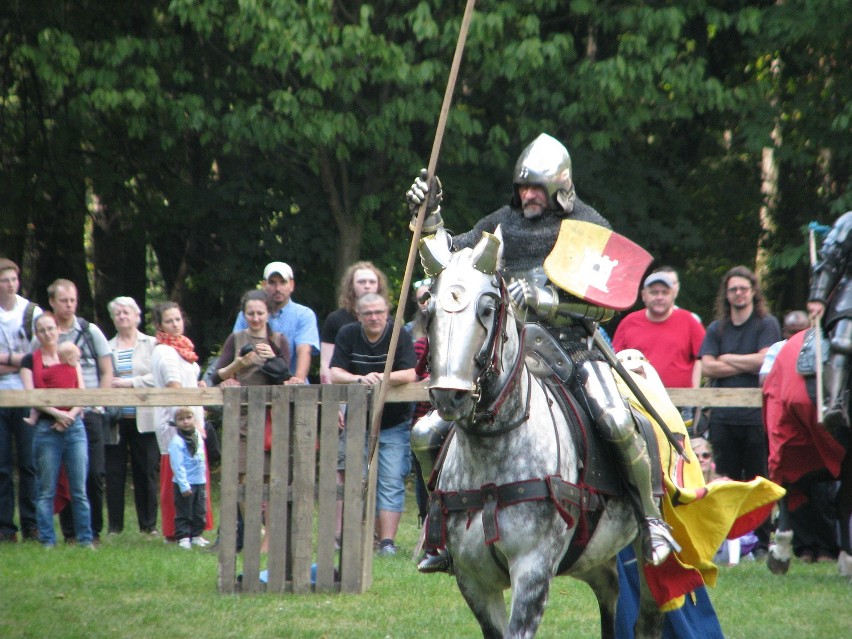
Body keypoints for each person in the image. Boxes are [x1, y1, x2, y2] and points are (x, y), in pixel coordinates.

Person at [406, 132, 679, 568]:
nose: (528, 195)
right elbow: (450, 259)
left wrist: (547, 300)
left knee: (615, 419)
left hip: (573, 348)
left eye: (536, 188)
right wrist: (430, 218)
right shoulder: (500, 224)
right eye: (522, 187)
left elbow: (606, 305)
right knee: (425, 433)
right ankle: (439, 529)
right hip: (508, 354)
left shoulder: (588, 227)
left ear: (560, 188)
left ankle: (651, 519)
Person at [699, 265, 781, 553]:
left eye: (743, 288)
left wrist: (729, 357)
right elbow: (707, 365)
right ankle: (725, 543)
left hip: (756, 417)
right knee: (725, 481)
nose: (738, 293)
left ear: (753, 291)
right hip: (722, 417)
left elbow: (765, 361)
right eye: (733, 289)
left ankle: (760, 542)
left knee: (757, 480)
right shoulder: (716, 328)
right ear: (727, 293)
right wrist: (746, 359)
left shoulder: (765, 324)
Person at [330, 293, 417, 556]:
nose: (374, 317)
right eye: (367, 313)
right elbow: (335, 373)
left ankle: (387, 542)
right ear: (358, 315)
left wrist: (382, 378)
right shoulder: (348, 333)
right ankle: (350, 537)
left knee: (391, 479)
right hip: (358, 421)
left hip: (394, 422)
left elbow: (411, 373)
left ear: (387, 312)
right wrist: (359, 379)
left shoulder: (398, 334)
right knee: (354, 480)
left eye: (379, 312)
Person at [19, 312, 93, 548]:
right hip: (46, 428)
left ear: (58, 329)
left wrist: (69, 416)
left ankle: (85, 540)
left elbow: (82, 392)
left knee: (79, 488)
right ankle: (47, 541)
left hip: (74, 427)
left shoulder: (70, 353)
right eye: (41, 330)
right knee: (45, 488)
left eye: (51, 328)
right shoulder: (30, 360)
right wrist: (57, 414)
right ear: (37, 334)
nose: (47, 333)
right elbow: (32, 396)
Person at [48, 278, 113, 545]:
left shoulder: (90, 331)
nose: (69, 305)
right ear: (52, 302)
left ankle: (94, 530)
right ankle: (71, 532)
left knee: (94, 472)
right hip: (59, 414)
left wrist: (98, 403)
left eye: (73, 300)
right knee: (66, 474)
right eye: (64, 301)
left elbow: (107, 370)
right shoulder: (47, 333)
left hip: (89, 412)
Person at [150, 301, 213, 541]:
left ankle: (195, 530)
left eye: (178, 319)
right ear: (159, 325)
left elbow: (185, 381)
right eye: (169, 321)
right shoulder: (165, 352)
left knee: (196, 474)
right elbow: (174, 388)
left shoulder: (182, 348)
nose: (176, 325)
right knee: (178, 477)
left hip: (191, 417)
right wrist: (189, 423)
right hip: (177, 422)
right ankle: (176, 531)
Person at [105, 296, 160, 535]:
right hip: (116, 420)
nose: (122, 316)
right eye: (117, 313)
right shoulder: (106, 347)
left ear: (137, 316)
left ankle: (148, 526)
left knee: (146, 472)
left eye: (126, 312)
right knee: (113, 473)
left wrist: (129, 383)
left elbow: (158, 376)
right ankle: (115, 527)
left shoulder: (153, 344)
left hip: (145, 418)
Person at [0, 258, 41, 542]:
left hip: (27, 392)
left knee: (28, 462)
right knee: (1, 464)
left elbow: (37, 358)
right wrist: (19, 360)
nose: (11, 285)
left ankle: (31, 524)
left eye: (14, 279)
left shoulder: (32, 313)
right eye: (5, 280)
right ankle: (5, 527)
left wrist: (14, 362)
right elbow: (25, 359)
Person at [613, 271, 706, 388]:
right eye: (654, 292)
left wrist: (695, 394)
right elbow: (615, 359)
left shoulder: (689, 320)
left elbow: (702, 358)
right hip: (639, 398)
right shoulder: (629, 322)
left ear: (673, 295)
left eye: (665, 293)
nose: (659, 297)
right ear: (643, 295)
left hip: (681, 399)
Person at [233, 262, 318, 384]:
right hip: (252, 388)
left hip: (291, 386)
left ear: (292, 285)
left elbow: (304, 350)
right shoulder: (246, 314)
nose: (278, 288)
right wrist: (231, 378)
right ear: (263, 285)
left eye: (283, 282)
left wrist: (297, 381)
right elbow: (237, 348)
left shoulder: (304, 314)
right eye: (272, 282)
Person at [807, 211, 852, 434]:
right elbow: (829, 258)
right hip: (850, 295)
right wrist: (818, 296)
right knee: (844, 339)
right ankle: (834, 403)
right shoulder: (849, 221)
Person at [320, 261, 388, 383]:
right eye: (361, 282)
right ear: (351, 285)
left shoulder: (387, 321)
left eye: (372, 282)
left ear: (378, 286)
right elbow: (326, 364)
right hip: (344, 391)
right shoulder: (335, 319)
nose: (367, 286)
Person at [168, 407, 209, 549]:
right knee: (184, 510)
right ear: (176, 422)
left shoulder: (197, 435)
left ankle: (196, 535)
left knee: (200, 510)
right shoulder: (177, 442)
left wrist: (203, 477)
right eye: (181, 419)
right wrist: (184, 485)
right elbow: (177, 465)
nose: (185, 422)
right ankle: (183, 536)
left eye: (188, 417)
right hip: (185, 482)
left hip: (199, 480)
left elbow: (201, 455)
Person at [23, 343, 81, 425]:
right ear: (70, 359)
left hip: (50, 401)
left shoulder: (54, 368)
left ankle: (32, 419)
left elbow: (40, 375)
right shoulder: (74, 369)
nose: (78, 361)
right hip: (68, 405)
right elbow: (79, 389)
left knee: (35, 409)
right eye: (78, 359)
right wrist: (71, 414)